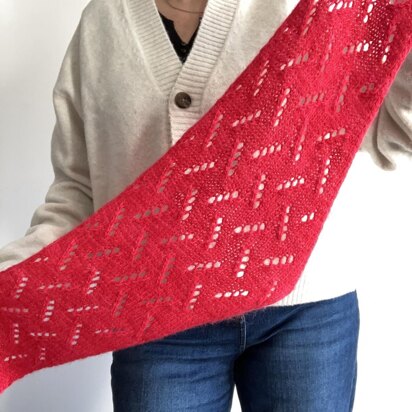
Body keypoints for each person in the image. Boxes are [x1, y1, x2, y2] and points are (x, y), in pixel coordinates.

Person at [0, 0, 411, 410]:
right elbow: (77, 192)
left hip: (307, 311)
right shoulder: (102, 24)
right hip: (156, 320)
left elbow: (391, 127)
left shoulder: (314, 7)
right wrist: (11, 288)